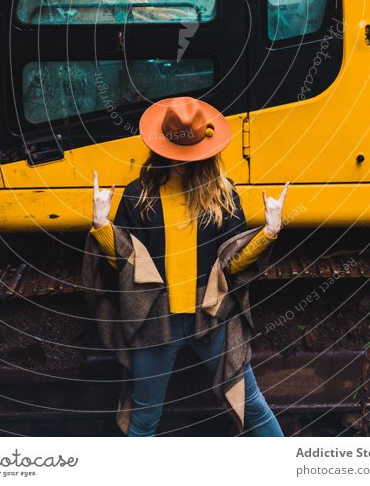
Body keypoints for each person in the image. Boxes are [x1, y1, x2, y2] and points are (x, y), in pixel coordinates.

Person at [85, 95, 290, 437]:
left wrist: (269, 231)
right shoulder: (139, 195)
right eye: (174, 156)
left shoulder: (223, 195)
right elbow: (124, 265)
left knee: (251, 405)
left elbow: (233, 263)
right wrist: (102, 225)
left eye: (189, 157)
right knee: (145, 419)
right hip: (156, 324)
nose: (181, 164)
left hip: (209, 320)